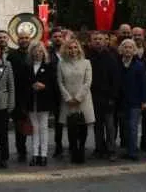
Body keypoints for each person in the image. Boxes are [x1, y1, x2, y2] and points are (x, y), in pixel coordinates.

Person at [57, 37, 95, 164]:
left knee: (83, 126)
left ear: (79, 49)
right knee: (71, 127)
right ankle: (74, 151)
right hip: (68, 100)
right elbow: (60, 82)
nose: (73, 50)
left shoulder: (86, 63)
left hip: (83, 99)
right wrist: (68, 98)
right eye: (70, 48)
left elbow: (88, 82)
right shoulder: (61, 64)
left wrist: (78, 97)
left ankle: (81, 150)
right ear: (65, 49)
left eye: (75, 47)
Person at [88, 31, 120, 162]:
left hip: (108, 98)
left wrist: (113, 97)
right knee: (98, 126)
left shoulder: (112, 57)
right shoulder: (88, 57)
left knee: (110, 126)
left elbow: (116, 79)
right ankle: (99, 148)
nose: (98, 41)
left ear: (105, 41)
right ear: (91, 41)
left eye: (100, 39)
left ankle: (111, 149)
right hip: (94, 97)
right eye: (95, 39)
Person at [26, 41, 57, 166]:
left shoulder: (49, 66)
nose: (38, 53)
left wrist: (44, 86)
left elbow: (54, 85)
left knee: (43, 128)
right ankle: (35, 154)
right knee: (35, 129)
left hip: (44, 102)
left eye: (40, 51)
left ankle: (43, 154)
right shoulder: (27, 67)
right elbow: (22, 84)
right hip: (31, 102)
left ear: (44, 53)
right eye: (35, 51)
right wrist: (31, 86)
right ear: (31, 53)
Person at [118, 39, 146, 161]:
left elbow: (143, 84)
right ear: (121, 49)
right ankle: (128, 149)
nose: (128, 49)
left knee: (133, 127)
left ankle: (133, 152)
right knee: (125, 127)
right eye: (125, 47)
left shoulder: (139, 65)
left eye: (130, 47)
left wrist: (144, 101)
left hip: (135, 101)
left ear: (134, 50)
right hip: (122, 101)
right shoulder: (118, 64)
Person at [8, 30, 31, 163]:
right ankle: (21, 151)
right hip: (17, 96)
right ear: (17, 40)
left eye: (26, 37)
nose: (24, 40)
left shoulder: (34, 53)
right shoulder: (12, 55)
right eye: (21, 38)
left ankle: (38, 150)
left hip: (33, 95)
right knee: (20, 127)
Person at [47, 27, 66, 158]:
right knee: (58, 121)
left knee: (71, 120)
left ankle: (73, 144)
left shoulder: (69, 52)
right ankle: (58, 145)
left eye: (60, 36)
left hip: (70, 90)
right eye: (55, 36)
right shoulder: (48, 53)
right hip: (55, 92)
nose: (58, 38)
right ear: (51, 39)